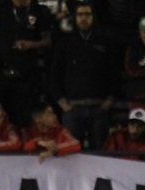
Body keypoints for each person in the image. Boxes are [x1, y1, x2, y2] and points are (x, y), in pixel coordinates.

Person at [49, 1, 117, 150]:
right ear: (75, 17)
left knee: (100, 153)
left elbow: (114, 72)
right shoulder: (64, 43)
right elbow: (54, 76)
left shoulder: (105, 41)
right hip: (73, 108)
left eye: (87, 14)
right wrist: (61, 101)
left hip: (99, 108)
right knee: (70, 153)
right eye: (80, 14)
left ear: (93, 17)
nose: (84, 18)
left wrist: (110, 99)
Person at [0, 0, 53, 127]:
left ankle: (21, 143)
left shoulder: (39, 11)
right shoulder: (0, 8)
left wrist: (31, 44)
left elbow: (48, 40)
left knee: (23, 116)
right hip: (1, 69)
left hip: (27, 72)